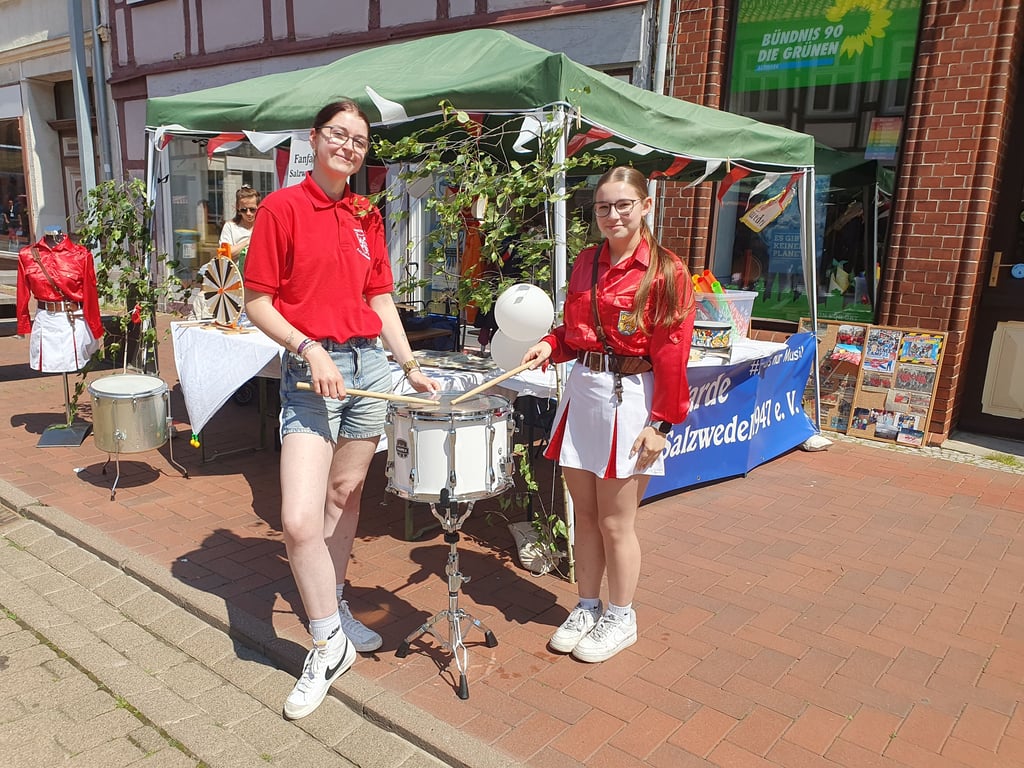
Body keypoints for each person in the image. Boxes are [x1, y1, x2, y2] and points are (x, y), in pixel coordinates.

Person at [243, 99, 441, 720]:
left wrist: (409, 367)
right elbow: (257, 301)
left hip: (369, 369)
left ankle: (334, 606)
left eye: (359, 140)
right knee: (299, 519)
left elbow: (379, 298)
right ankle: (326, 644)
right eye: (338, 135)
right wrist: (307, 348)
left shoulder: (366, 213)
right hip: (312, 372)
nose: (349, 147)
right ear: (315, 138)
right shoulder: (282, 207)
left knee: (346, 495)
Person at [522, 166, 695, 663]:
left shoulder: (667, 272)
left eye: (623, 205)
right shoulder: (585, 261)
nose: (613, 215)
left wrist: (661, 423)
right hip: (585, 394)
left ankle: (622, 616)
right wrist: (550, 345)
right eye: (603, 207)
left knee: (617, 522)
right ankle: (588, 605)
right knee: (585, 515)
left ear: (645, 206)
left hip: (633, 398)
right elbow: (574, 332)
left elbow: (672, 351)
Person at [219, 185, 260, 273]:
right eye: (244, 210)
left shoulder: (264, 226)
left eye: (252, 209)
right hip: (236, 279)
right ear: (238, 208)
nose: (248, 213)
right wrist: (248, 241)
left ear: (259, 207)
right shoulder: (230, 226)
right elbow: (225, 256)